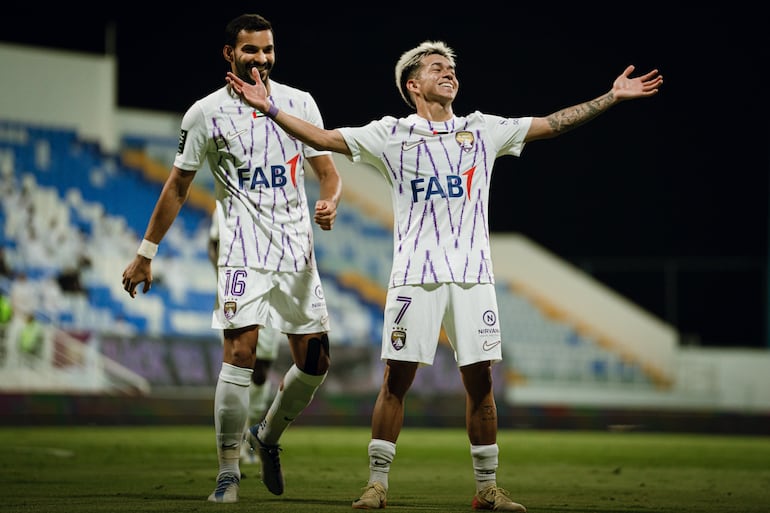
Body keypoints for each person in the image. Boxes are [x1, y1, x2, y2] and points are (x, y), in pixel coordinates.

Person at [226, 40, 663, 512]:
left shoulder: (483, 130)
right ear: (413, 85)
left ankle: (488, 489)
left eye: (452, 67)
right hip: (415, 276)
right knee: (396, 380)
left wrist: (610, 97)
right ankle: (376, 485)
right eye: (437, 67)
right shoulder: (391, 134)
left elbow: (552, 124)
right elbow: (325, 138)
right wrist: (269, 109)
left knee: (481, 384)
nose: (449, 72)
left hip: (474, 279)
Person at [121, 13, 341, 504]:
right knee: (240, 354)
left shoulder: (299, 103)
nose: (260, 58)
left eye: (267, 50)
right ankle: (226, 473)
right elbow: (178, 185)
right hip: (242, 251)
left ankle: (267, 435)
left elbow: (327, 170)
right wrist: (145, 253)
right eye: (250, 50)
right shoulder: (204, 113)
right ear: (229, 54)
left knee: (316, 363)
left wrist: (331, 199)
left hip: (296, 254)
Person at [207, 209, 281, 466]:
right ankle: (235, 441)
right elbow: (214, 244)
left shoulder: (277, 200)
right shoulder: (226, 202)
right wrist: (224, 279)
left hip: (271, 290)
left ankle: (255, 432)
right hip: (239, 289)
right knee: (239, 360)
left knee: (262, 369)